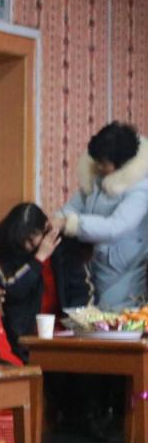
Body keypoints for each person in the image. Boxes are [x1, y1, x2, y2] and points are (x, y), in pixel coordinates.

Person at [55, 122, 148, 309]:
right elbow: (73, 207)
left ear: (120, 162)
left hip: (125, 271)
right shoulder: (96, 180)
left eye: (103, 163)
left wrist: (71, 224)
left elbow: (116, 227)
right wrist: (56, 220)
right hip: (95, 266)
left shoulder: (140, 188)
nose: (98, 166)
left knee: (118, 319)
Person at [0, 203, 61, 362]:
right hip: (20, 334)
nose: (28, 246)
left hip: (57, 329)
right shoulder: (3, 250)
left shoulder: (56, 244)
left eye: (32, 239)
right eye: (23, 241)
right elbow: (12, 289)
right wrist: (39, 258)